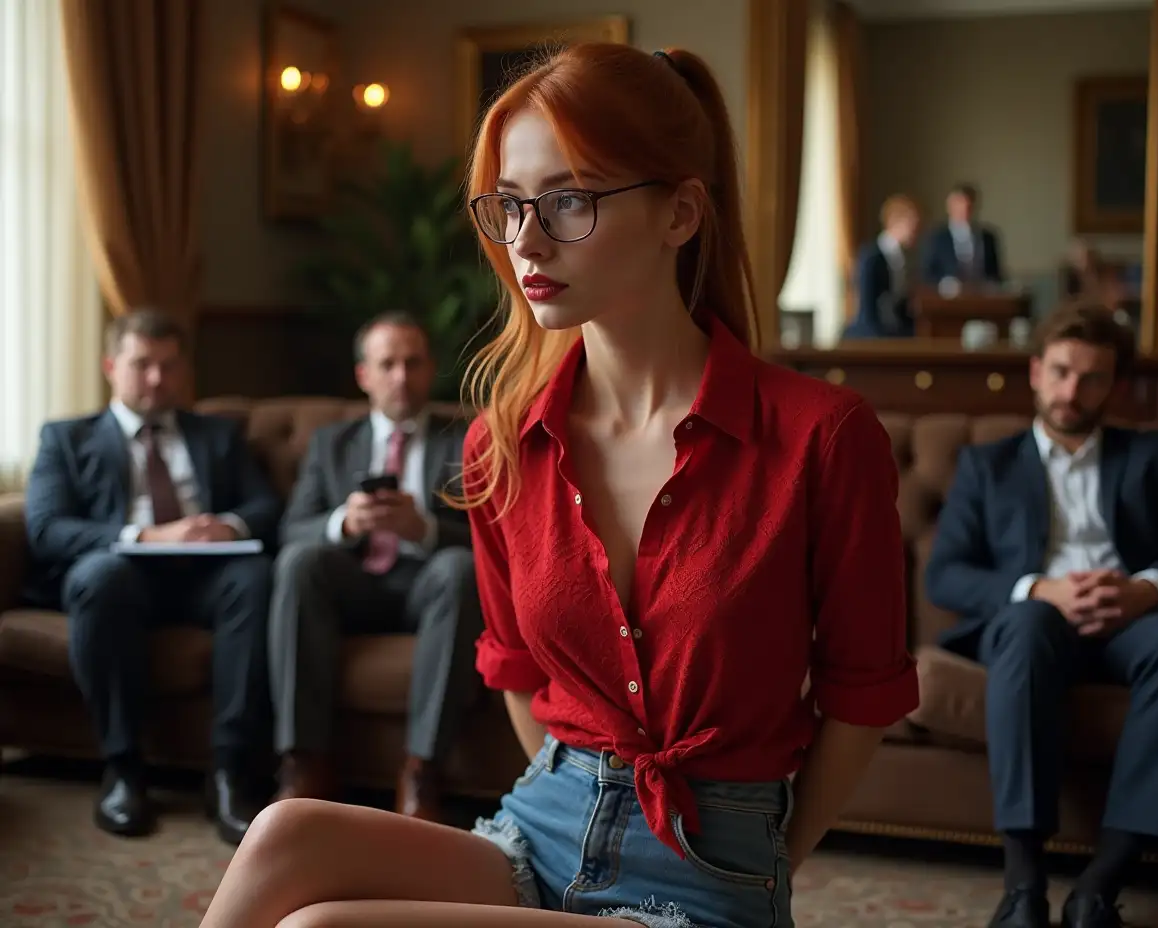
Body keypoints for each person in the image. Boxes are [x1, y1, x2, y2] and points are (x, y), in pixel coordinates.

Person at [199, 43, 918, 928]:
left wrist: (759, 869)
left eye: (569, 200)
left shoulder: (821, 435)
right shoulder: (502, 441)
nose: (525, 241)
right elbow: (515, 669)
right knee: (281, 835)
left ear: (680, 213)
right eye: (509, 205)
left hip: (711, 865)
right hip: (541, 822)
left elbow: (863, 695)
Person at [924, 303, 1158, 928]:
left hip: (1135, 624)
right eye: (1061, 372)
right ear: (1036, 372)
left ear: (1116, 386)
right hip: (1033, 624)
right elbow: (946, 571)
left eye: (1091, 378)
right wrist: (1040, 589)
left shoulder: (1157, 456)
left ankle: (1101, 882)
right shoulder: (989, 465)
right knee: (1029, 626)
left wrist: (1148, 590)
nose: (1072, 392)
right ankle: (1023, 887)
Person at [22, 308, 281, 844]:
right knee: (101, 575)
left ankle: (230, 771)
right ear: (111, 366)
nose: (158, 379)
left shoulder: (218, 436)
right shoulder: (66, 438)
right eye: (143, 365)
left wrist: (227, 526)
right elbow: (46, 529)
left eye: (168, 365)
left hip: (204, 578)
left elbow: (264, 505)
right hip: (122, 574)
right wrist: (147, 537)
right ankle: (123, 769)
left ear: (184, 370)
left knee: (254, 577)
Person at [268, 312, 479, 820]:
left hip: (427, 583)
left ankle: (422, 771)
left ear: (431, 370)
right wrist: (344, 522)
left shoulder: (466, 438)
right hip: (352, 581)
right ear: (364, 375)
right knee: (301, 559)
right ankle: (304, 764)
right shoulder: (331, 442)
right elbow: (290, 530)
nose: (401, 377)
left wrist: (423, 528)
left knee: (459, 567)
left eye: (413, 363)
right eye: (388, 364)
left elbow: (493, 539)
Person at [842, 194, 921, 339]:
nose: (916, 231)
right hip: (871, 335)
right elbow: (867, 310)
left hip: (894, 332)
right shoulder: (870, 257)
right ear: (895, 222)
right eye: (912, 224)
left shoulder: (903, 258)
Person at [922, 182, 1003, 286]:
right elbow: (927, 274)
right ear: (949, 206)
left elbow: (995, 274)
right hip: (947, 298)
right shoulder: (936, 237)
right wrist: (946, 283)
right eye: (959, 205)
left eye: (968, 206)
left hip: (981, 296)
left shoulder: (987, 237)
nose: (963, 210)